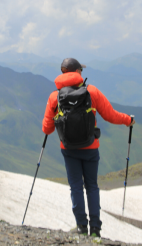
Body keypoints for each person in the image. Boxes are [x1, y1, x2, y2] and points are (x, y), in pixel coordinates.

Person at [42, 58, 135, 237]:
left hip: (69, 149)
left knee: (75, 187)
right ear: (77, 72)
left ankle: (81, 227)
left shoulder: (55, 96)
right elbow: (111, 115)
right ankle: (95, 229)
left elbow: (47, 128)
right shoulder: (91, 92)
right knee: (91, 186)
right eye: (81, 71)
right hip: (90, 147)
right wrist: (128, 120)